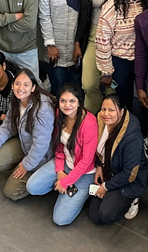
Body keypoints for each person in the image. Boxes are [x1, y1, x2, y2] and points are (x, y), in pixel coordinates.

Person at [0, 68, 55, 201]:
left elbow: (41, 145)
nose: (20, 88)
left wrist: (26, 165)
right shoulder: (16, 100)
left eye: (26, 84)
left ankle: (41, 177)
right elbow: (7, 126)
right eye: (17, 83)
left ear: (33, 88)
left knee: (11, 193)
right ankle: (20, 170)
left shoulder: (42, 108)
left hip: (43, 156)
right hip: (25, 144)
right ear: (12, 85)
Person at [25, 84, 98, 226]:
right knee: (32, 187)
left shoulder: (89, 123)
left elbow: (86, 161)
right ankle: (62, 188)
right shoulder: (59, 114)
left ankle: (74, 194)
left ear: (79, 102)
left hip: (85, 172)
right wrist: (59, 171)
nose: (67, 105)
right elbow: (58, 147)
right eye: (63, 101)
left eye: (72, 101)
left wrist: (65, 181)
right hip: (64, 162)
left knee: (60, 220)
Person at [89, 95, 148, 225]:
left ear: (121, 112)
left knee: (107, 215)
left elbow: (129, 174)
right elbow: (98, 148)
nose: (106, 114)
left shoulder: (132, 135)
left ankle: (133, 198)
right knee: (94, 216)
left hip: (129, 179)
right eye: (103, 109)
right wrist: (99, 165)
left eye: (111, 110)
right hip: (108, 170)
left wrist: (106, 186)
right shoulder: (100, 119)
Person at [95, 0, 146, 115]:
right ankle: (124, 129)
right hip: (120, 61)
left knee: (145, 98)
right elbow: (102, 40)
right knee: (124, 100)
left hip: (143, 60)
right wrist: (107, 72)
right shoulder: (112, 5)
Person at [39, 0, 85, 95]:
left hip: (77, 45)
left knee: (78, 87)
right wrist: (50, 44)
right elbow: (44, 16)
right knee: (58, 88)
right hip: (56, 48)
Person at [76, 0, 117, 113]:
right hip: (93, 34)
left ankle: (111, 116)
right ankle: (93, 116)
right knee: (88, 83)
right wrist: (77, 42)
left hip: (117, 37)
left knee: (113, 86)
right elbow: (83, 14)